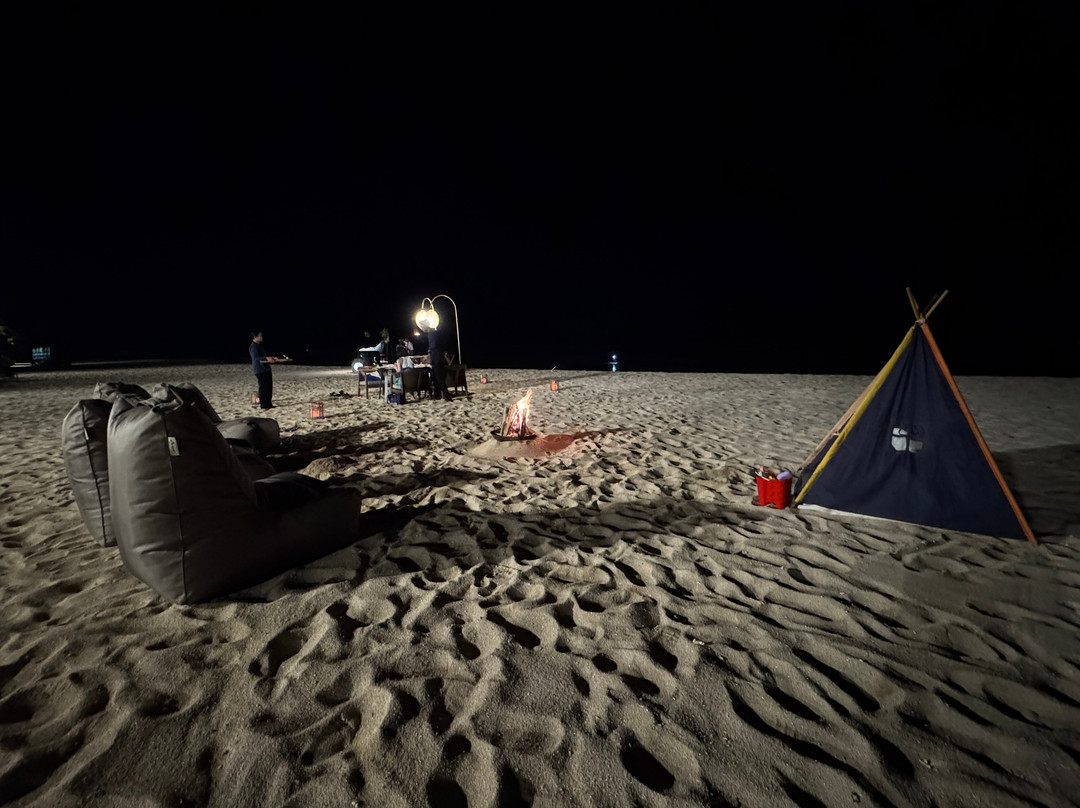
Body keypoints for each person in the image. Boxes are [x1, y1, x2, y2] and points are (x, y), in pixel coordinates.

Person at [249, 331, 284, 409]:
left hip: (266, 368)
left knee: (268, 387)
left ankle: (268, 404)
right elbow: (255, 358)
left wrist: (271, 358)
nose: (262, 337)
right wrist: (266, 358)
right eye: (260, 335)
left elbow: (264, 356)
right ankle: (264, 405)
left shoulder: (260, 345)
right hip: (260, 369)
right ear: (255, 337)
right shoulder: (253, 346)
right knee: (263, 388)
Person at [422, 322, 453, 402]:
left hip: (436, 359)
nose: (422, 329)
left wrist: (430, 352)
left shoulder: (431, 335)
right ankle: (437, 395)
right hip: (439, 358)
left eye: (422, 327)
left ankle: (447, 396)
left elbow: (434, 346)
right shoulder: (435, 334)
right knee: (436, 378)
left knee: (439, 378)